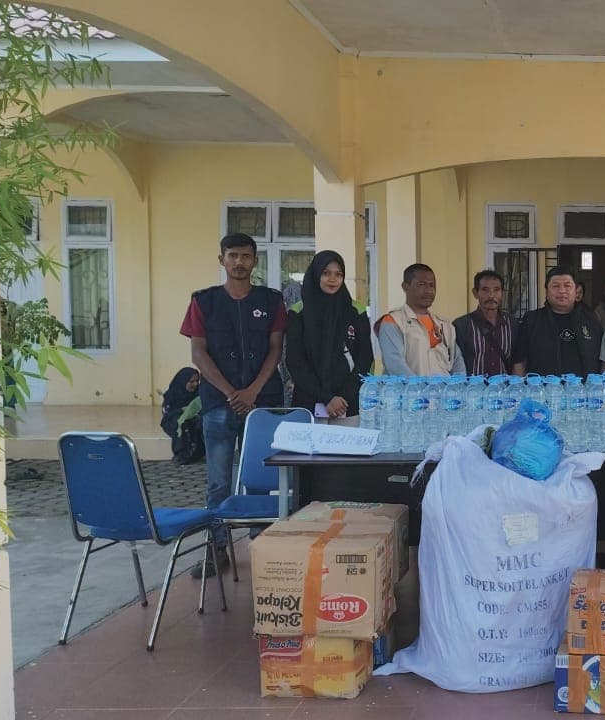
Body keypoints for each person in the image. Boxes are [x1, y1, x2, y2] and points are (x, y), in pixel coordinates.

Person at [180, 232, 287, 578]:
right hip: (218, 405)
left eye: (245, 256)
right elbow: (198, 352)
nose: (239, 262)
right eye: (232, 256)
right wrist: (230, 392)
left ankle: (262, 548)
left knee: (260, 477)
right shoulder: (204, 301)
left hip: (262, 404)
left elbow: (275, 349)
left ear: (255, 261)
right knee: (218, 482)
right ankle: (217, 549)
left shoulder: (272, 301)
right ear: (221, 260)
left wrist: (253, 391)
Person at [285, 250, 374, 424]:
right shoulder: (298, 312)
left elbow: (365, 358)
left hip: (347, 404)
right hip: (308, 405)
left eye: (338, 274)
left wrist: (342, 398)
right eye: (326, 273)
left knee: (345, 450)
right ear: (316, 273)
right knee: (307, 451)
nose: (332, 279)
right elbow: (295, 361)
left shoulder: (356, 310)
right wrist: (327, 397)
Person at [375, 263, 465, 376]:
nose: (428, 291)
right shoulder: (393, 321)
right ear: (405, 286)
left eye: (432, 285)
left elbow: (457, 362)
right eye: (421, 284)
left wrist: (456, 387)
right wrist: (420, 390)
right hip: (408, 392)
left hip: (443, 392)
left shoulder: (445, 325)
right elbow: (395, 364)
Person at [511, 265, 602, 377]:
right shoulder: (532, 320)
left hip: (583, 391)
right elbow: (519, 362)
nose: (562, 291)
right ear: (547, 291)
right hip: (542, 392)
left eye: (567, 285)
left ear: (576, 291)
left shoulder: (591, 319)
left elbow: (602, 360)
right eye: (556, 286)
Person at [453, 269, 515, 377]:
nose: (491, 295)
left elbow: (518, 361)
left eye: (496, 290)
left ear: (502, 293)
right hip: (473, 391)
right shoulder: (461, 326)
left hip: (504, 391)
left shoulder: (512, 324)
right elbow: (455, 364)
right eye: (485, 290)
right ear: (475, 293)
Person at [160, 367, 204, 465]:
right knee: (181, 423)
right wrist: (182, 411)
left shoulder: (199, 393)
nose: (195, 384)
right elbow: (167, 414)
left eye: (197, 381)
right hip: (173, 420)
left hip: (193, 419)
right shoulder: (172, 394)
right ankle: (181, 455)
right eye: (191, 381)